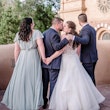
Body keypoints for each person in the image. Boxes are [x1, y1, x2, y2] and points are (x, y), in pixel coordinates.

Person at [47, 21, 105, 110]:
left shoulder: (64, 37)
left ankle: (69, 104)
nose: (64, 27)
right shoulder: (77, 37)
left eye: (65, 26)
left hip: (66, 61)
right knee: (78, 82)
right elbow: (78, 52)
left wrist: (50, 58)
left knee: (66, 82)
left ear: (70, 28)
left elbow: (61, 51)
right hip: (74, 60)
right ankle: (83, 103)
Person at [1, 17, 45, 110]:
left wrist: (17, 63)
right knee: (32, 80)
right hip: (32, 58)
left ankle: (19, 102)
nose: (34, 24)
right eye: (33, 22)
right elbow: (41, 46)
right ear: (31, 24)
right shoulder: (36, 33)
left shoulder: (18, 34)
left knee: (21, 80)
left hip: (22, 57)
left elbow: (16, 50)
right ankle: (31, 103)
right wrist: (44, 58)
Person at [41, 17, 70, 109]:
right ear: (57, 24)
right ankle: (52, 104)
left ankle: (44, 102)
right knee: (53, 84)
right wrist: (66, 40)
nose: (62, 25)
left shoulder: (44, 33)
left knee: (45, 84)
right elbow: (57, 47)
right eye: (62, 24)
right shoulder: (55, 34)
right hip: (53, 64)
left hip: (45, 63)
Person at [73, 13, 98, 85]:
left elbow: (85, 41)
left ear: (79, 21)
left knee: (89, 78)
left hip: (88, 58)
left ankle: (93, 95)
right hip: (93, 56)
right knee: (91, 76)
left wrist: (73, 37)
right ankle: (94, 94)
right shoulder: (92, 28)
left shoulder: (85, 30)